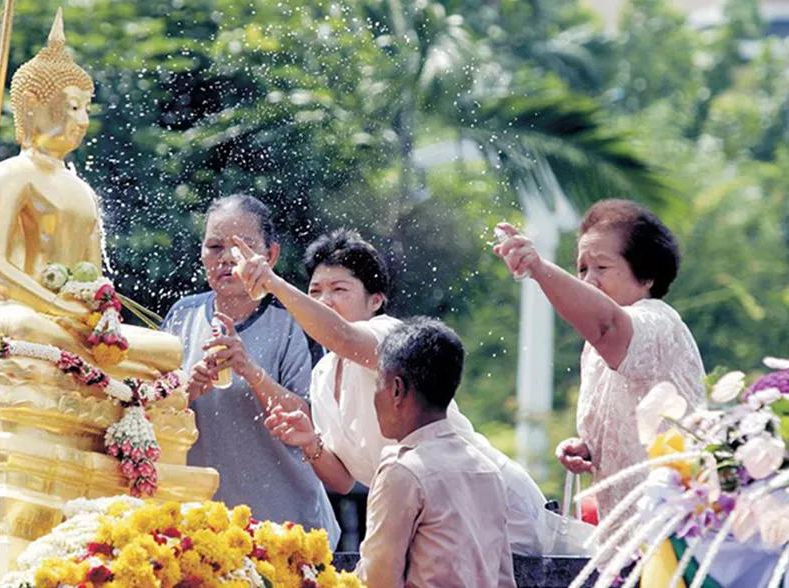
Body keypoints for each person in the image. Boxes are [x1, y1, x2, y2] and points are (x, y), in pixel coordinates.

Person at [236, 229, 550, 555]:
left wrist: (272, 283)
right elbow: (343, 481)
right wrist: (309, 442)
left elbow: (342, 336)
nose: (324, 300)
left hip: (487, 504)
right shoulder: (323, 374)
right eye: (315, 291)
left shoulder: (389, 335)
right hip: (425, 523)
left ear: (376, 301)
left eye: (339, 289)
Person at [493, 199, 705, 517]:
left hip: (675, 526)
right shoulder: (595, 348)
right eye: (582, 268)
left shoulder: (658, 321)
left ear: (646, 276)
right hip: (621, 533)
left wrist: (538, 268)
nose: (589, 279)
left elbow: (608, 325)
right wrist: (586, 448)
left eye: (602, 267)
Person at [162, 194, 339, 546]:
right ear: (201, 255)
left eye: (242, 246)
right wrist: (189, 387)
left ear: (269, 255)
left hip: (289, 532)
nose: (227, 258)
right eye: (214, 247)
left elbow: (309, 420)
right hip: (203, 532)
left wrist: (249, 369)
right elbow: (152, 409)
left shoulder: (293, 322)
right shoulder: (182, 316)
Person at [356, 318, 516, 588]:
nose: (375, 397)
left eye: (377, 385)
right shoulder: (487, 469)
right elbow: (503, 579)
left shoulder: (402, 472)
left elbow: (378, 580)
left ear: (396, 389)